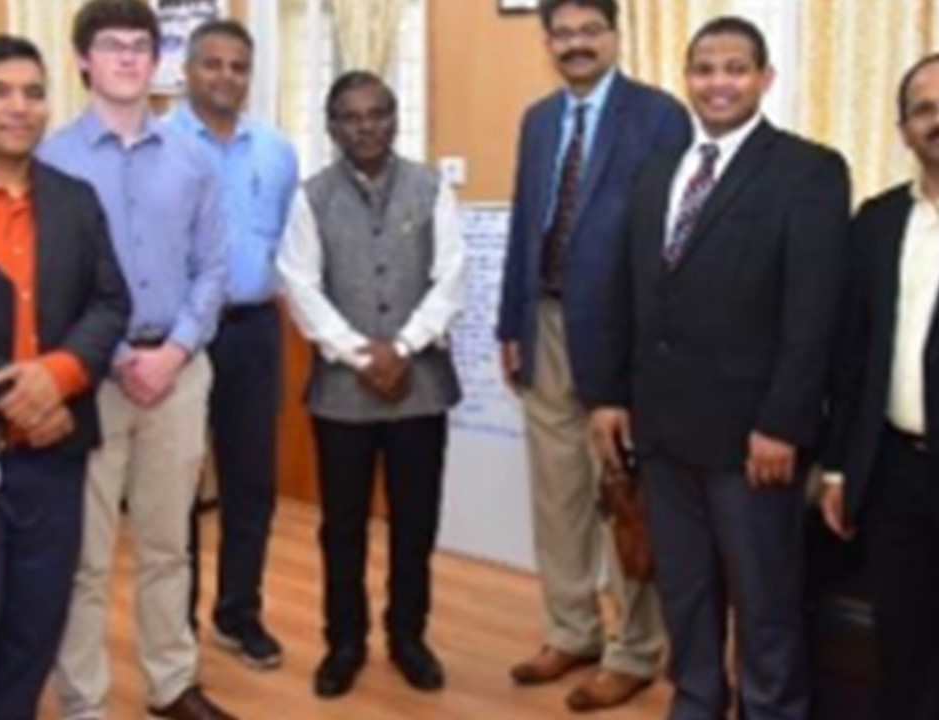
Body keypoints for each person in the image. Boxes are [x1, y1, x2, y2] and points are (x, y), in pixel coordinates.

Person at [589, 17, 851, 720]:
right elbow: (629, 291)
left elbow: (813, 315)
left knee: (765, 603)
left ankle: (772, 709)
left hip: (753, 441)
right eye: (704, 69)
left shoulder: (809, 171)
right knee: (686, 594)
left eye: (736, 69)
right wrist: (610, 395)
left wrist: (783, 423)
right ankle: (698, 701)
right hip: (662, 435)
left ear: (766, 79)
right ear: (687, 79)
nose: (719, 83)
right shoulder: (657, 173)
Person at [40, 2, 233, 718]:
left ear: (157, 62)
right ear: (82, 59)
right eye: (111, 45)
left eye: (139, 46)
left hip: (179, 374)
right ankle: (83, 701)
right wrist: (117, 355)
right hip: (88, 379)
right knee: (86, 556)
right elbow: (51, 281)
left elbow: (214, 268)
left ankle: (172, 682)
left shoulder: (193, 159)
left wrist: (174, 350)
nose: (126, 57)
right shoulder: (51, 159)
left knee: (167, 544)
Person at [496, 0, 689, 709]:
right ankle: (570, 629)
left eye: (590, 31)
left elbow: (671, 236)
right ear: (547, 41)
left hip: (622, 335)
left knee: (624, 495)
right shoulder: (539, 120)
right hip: (544, 324)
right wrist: (509, 323)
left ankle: (635, 650)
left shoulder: (659, 116)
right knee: (558, 495)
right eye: (563, 33)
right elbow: (526, 222)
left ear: (615, 35)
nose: (576, 44)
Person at [819, 53, 939, 720]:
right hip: (892, 469)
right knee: (902, 641)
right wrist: (839, 467)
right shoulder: (876, 220)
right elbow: (851, 356)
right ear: (903, 128)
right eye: (925, 110)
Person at [0, 34, 130, 720]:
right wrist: (20, 395)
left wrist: (58, 376)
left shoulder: (75, 200)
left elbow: (111, 302)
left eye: (32, 92)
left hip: (54, 454)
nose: (18, 107)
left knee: (35, 627)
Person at [278, 71, 465, 700]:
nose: (366, 126)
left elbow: (451, 278)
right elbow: (300, 285)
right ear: (332, 127)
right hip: (343, 392)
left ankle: (408, 637)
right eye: (351, 117)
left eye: (378, 113)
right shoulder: (311, 197)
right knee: (343, 526)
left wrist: (403, 347)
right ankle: (344, 643)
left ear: (395, 118)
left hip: (421, 387)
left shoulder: (431, 188)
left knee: (415, 522)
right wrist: (361, 355)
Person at [170, 18, 298, 671]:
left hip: (254, 330)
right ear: (187, 70)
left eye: (238, 66)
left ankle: (238, 613)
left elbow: (291, 247)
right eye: (212, 63)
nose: (226, 76)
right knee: (177, 484)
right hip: (179, 337)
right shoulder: (158, 145)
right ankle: (175, 623)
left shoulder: (277, 151)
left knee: (252, 483)